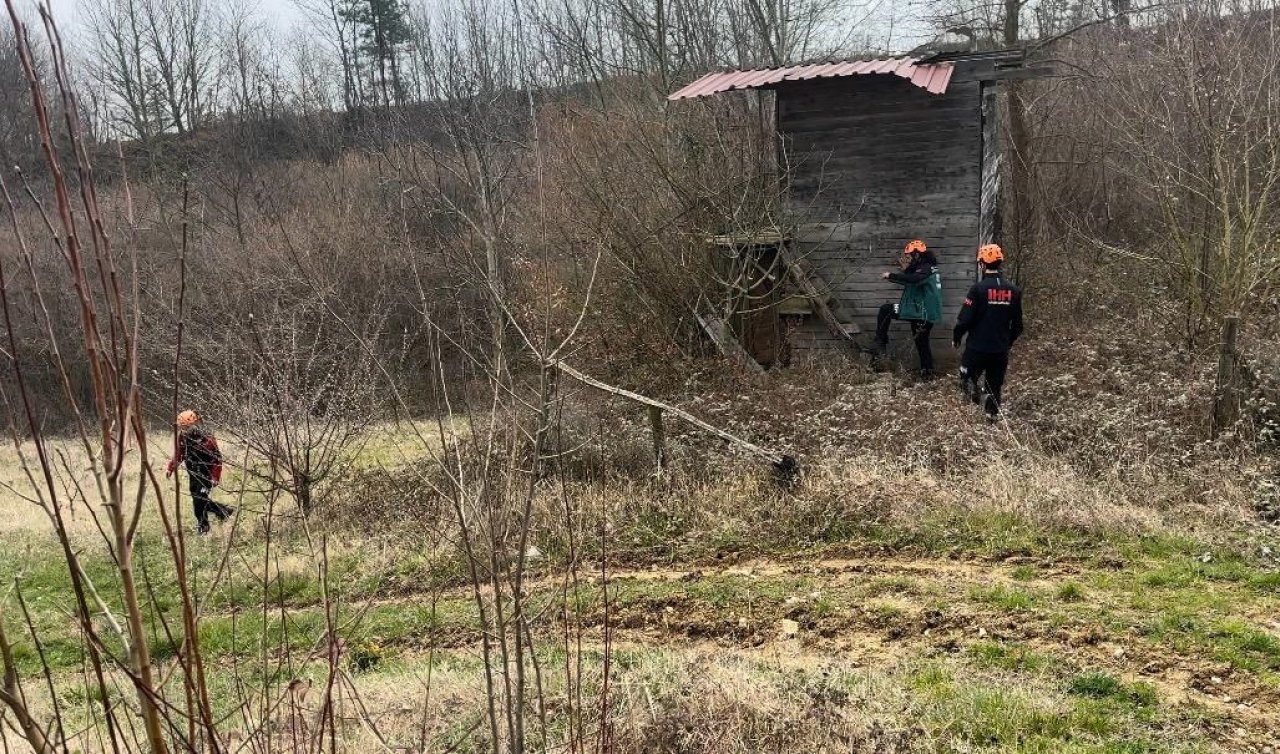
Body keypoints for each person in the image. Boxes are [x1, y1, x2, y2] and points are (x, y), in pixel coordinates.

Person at [953, 244, 1024, 421]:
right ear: (1000, 263)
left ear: (983, 264)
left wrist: (957, 338)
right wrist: (1007, 343)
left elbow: (964, 320)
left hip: (977, 348)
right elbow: (1018, 326)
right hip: (999, 351)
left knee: (966, 378)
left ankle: (968, 418)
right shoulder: (1014, 291)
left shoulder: (978, 289)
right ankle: (991, 419)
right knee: (994, 387)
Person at [875, 239, 943, 379]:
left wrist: (891, 276)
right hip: (921, 312)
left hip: (921, 312)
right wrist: (906, 271)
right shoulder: (927, 267)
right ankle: (927, 372)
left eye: (910, 256)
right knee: (921, 342)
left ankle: (880, 342)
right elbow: (911, 277)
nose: (908, 259)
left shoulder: (925, 269)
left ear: (917, 255)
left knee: (886, 310)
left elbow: (913, 279)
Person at [166, 410, 234, 535]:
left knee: (199, 502)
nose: (183, 429)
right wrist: (171, 468)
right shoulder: (182, 437)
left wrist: (215, 477)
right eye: (182, 427)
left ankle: (203, 528)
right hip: (193, 474)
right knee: (198, 500)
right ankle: (224, 511)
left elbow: (217, 459)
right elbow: (179, 454)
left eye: (185, 426)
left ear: (193, 424)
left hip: (206, 474)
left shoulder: (207, 438)